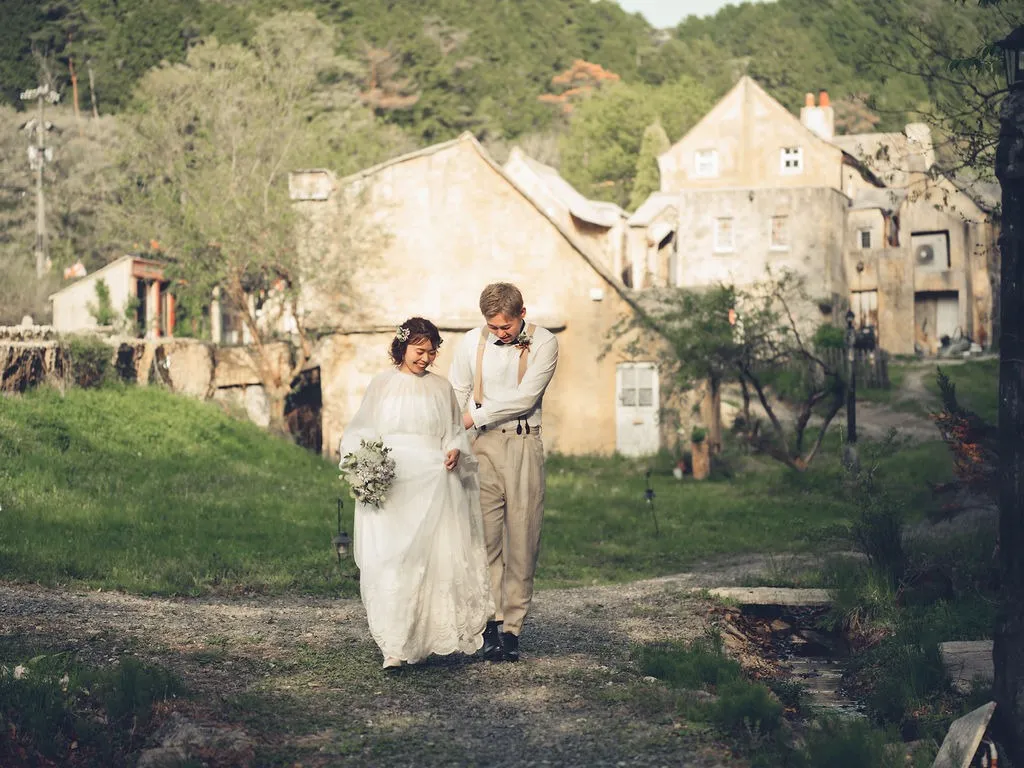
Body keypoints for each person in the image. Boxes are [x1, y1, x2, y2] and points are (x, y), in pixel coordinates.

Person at [339, 317, 492, 669]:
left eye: (431, 352)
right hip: (392, 482)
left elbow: (454, 431)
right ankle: (393, 645)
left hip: (432, 482)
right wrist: (364, 466)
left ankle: (418, 640)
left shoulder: (441, 389)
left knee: (427, 561)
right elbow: (359, 431)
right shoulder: (381, 385)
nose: (425, 358)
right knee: (391, 560)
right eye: (419, 351)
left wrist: (455, 448)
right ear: (401, 347)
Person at [449, 283, 559, 662]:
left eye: (506, 326)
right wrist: (454, 436)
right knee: (485, 538)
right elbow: (458, 390)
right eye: (493, 327)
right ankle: (492, 625)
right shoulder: (470, 343)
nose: (500, 333)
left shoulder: (545, 343)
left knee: (523, 537)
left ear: (522, 312)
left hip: (523, 443)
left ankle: (513, 627)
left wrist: (473, 415)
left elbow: (525, 398)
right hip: (482, 446)